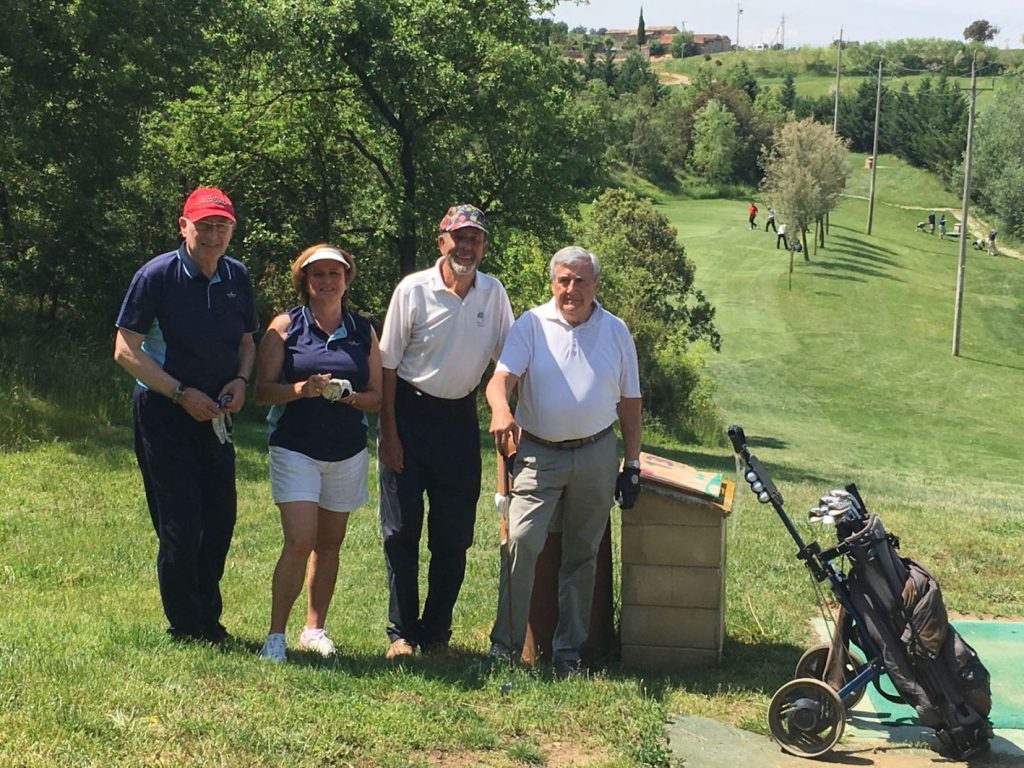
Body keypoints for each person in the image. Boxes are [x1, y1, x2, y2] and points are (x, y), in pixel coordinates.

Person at [486, 246, 642, 677]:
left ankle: (568, 652)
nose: (571, 289)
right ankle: (504, 647)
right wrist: (501, 409)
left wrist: (632, 464)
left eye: (580, 281)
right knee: (521, 541)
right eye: (563, 280)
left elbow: (630, 402)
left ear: (596, 285)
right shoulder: (531, 324)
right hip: (538, 453)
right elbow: (501, 379)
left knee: (582, 552)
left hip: (596, 452)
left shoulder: (616, 331)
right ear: (552, 283)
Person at [114, 186, 258, 644]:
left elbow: (247, 342)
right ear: (184, 226)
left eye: (222, 226)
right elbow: (125, 350)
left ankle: (207, 618)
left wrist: (241, 380)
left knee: (220, 518)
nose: (214, 234)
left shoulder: (236, 276)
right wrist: (180, 393)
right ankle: (187, 626)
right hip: (164, 411)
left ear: (232, 229)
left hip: (215, 413)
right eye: (204, 225)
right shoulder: (157, 276)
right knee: (180, 521)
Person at [377, 204, 514, 658]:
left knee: (453, 535)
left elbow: (508, 362)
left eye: (475, 239)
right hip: (408, 414)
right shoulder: (413, 289)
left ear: (484, 246)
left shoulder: (493, 293)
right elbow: (388, 365)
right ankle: (401, 633)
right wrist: (389, 433)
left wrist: (506, 410)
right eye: (459, 238)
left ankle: (436, 633)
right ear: (442, 243)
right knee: (401, 531)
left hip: (459, 420)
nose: (466, 247)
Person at [254, 245, 382, 662]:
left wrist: (349, 396)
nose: (327, 281)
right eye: (318, 274)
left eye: (334, 273)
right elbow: (261, 392)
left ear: (347, 278)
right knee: (299, 540)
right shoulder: (285, 326)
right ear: (304, 281)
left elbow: (377, 397)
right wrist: (300, 390)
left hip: (346, 451)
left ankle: (314, 629)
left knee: (329, 543)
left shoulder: (363, 330)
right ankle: (275, 636)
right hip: (296, 447)